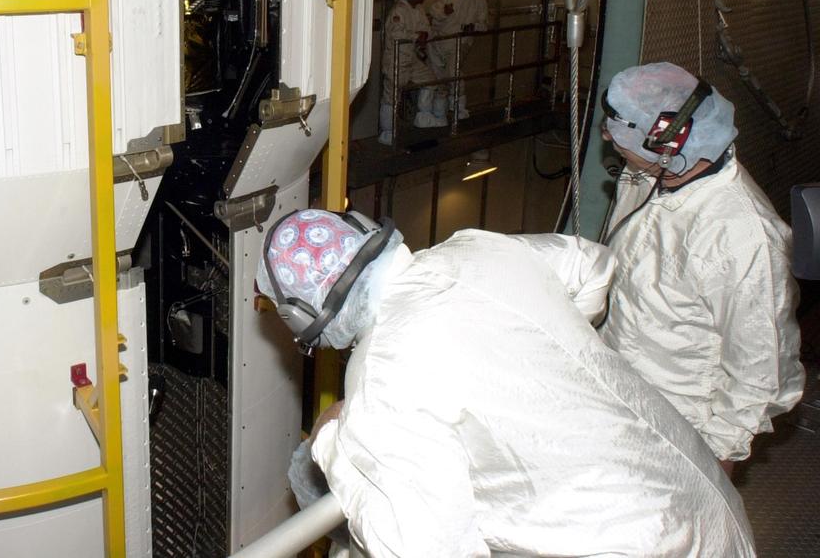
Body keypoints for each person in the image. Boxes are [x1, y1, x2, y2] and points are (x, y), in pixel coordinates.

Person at [258, 209, 755, 557]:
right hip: (704, 496)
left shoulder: (383, 377)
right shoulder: (477, 250)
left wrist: (331, 439)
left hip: (629, 543)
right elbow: (592, 265)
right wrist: (544, 363)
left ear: (304, 316)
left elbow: (427, 549)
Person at [598, 62, 804, 474]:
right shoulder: (646, 175)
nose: (606, 135)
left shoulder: (741, 237)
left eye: (619, 129)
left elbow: (760, 370)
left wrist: (716, 463)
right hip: (620, 396)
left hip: (680, 427)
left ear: (666, 139)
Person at [379, 0, 444, 143]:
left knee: (430, 81)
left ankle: (424, 117)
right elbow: (395, 34)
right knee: (391, 96)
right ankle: (387, 133)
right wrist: (416, 36)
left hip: (412, 58)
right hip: (397, 59)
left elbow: (426, 29)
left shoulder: (418, 10)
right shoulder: (399, 11)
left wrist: (424, 35)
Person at [427, 0, 488, 120]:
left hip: (460, 42)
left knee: (454, 75)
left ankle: (459, 111)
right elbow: (433, 13)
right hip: (438, 42)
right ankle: (439, 115)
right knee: (438, 79)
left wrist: (473, 26)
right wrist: (444, 12)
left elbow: (484, 24)